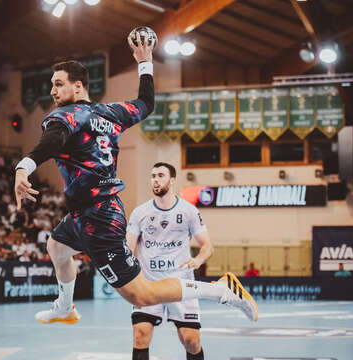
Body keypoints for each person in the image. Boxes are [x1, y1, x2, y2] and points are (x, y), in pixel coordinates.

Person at [14, 34, 257, 327]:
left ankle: (222, 290)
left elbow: (53, 141)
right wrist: (145, 64)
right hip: (85, 213)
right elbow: (145, 103)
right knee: (56, 247)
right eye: (52, 84)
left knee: (142, 295)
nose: (52, 90)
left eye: (58, 84)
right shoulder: (111, 113)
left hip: (100, 218)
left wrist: (23, 167)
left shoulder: (66, 116)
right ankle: (64, 306)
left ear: (77, 86)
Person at [126, 163, 212, 360]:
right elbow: (128, 248)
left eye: (161, 175)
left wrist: (198, 260)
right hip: (149, 284)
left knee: (191, 341)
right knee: (140, 336)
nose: (155, 179)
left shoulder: (189, 211)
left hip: (181, 285)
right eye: (153, 175)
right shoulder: (140, 213)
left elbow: (207, 245)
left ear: (172, 180)